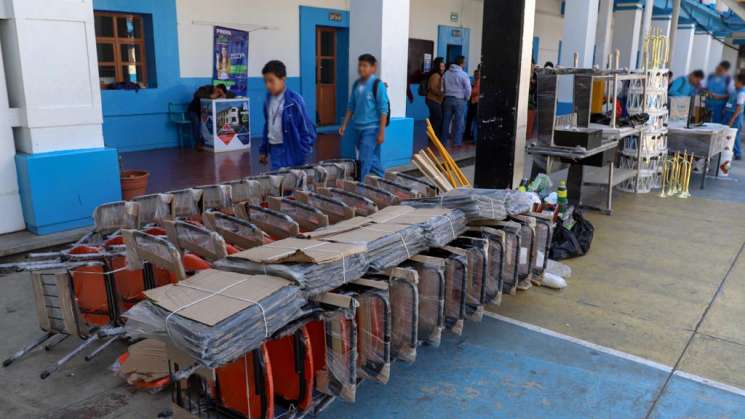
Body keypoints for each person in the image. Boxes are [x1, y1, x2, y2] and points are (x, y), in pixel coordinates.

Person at [339, 54, 390, 180]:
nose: (361, 68)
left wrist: (381, 132)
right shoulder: (356, 84)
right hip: (357, 128)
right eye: (360, 65)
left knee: (363, 162)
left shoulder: (378, 85)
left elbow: (384, 110)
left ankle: (360, 188)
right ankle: (387, 178)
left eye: (365, 66)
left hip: (372, 129)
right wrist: (344, 125)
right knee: (369, 157)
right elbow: (351, 106)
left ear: (373, 68)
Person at [258, 60, 317, 170]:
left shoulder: (295, 101)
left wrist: (302, 151)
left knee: (294, 184)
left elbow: (308, 129)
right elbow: (268, 126)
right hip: (275, 150)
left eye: (271, 81)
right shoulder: (267, 100)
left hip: (292, 150)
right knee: (277, 183)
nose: (268, 85)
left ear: (283, 79)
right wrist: (264, 150)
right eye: (265, 81)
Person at [441, 55, 472, 148]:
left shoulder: (446, 73)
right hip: (459, 100)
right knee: (459, 122)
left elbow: (442, 87)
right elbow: (468, 89)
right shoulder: (463, 74)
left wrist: (445, 94)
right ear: (462, 63)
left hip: (447, 99)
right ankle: (457, 142)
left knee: (446, 121)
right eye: (464, 62)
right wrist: (467, 98)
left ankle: (443, 141)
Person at [188, 85, 223, 150]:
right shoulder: (204, 89)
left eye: (219, 92)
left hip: (205, 112)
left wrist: (223, 94)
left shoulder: (219, 93)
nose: (217, 93)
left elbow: (232, 94)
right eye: (217, 91)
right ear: (215, 87)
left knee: (211, 123)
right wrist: (210, 96)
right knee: (196, 124)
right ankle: (198, 143)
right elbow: (196, 95)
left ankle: (210, 142)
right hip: (194, 111)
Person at [724, 72, 745, 160]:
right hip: (729, 114)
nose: (735, 83)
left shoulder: (742, 93)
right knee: (728, 134)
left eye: (736, 82)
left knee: (735, 135)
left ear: (741, 83)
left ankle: (738, 153)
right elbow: (729, 98)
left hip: (735, 117)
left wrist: (732, 120)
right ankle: (727, 150)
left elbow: (738, 108)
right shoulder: (736, 90)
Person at [424, 57, 446, 139]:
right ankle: (434, 137)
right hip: (433, 100)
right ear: (438, 66)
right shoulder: (435, 75)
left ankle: (432, 136)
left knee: (434, 118)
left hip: (434, 100)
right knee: (438, 118)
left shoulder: (437, 75)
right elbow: (433, 88)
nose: (443, 68)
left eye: (444, 66)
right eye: (442, 66)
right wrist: (442, 94)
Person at [465, 65, 480, 142]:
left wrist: (470, 91)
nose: (476, 75)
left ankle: (473, 137)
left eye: (477, 74)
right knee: (471, 120)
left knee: (473, 120)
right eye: (475, 74)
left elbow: (474, 92)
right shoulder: (475, 81)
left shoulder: (477, 81)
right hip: (473, 102)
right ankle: (471, 137)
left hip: (474, 102)